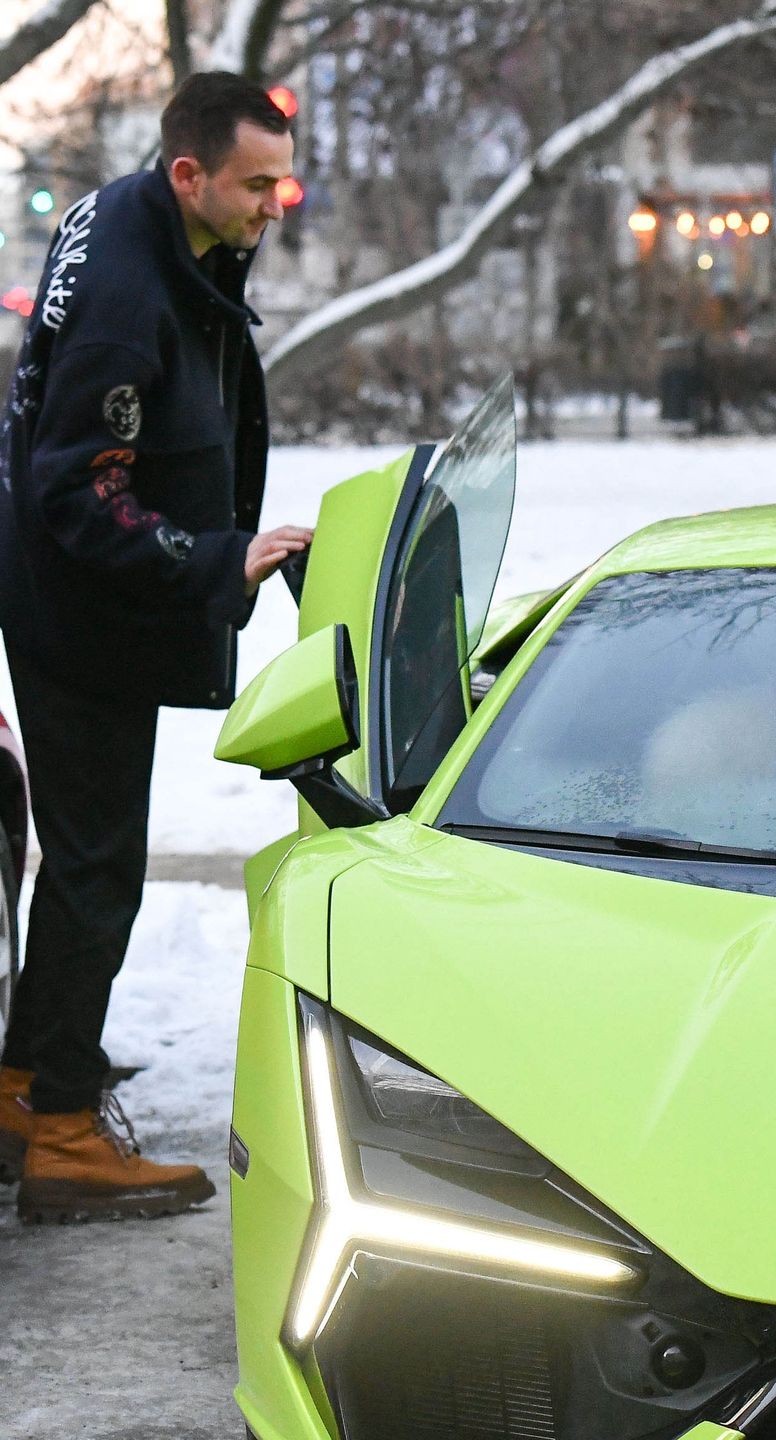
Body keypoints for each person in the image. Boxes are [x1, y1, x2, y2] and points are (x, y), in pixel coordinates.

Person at [0, 72, 313, 1223]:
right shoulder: (128, 290)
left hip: (61, 588)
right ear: (188, 174)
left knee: (84, 863)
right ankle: (68, 1138)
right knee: (97, 872)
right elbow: (78, 489)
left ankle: (27, 1082)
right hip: (74, 606)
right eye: (256, 184)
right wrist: (209, 555)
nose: (278, 202)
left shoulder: (133, 208)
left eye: (283, 175)